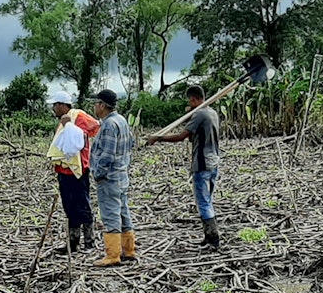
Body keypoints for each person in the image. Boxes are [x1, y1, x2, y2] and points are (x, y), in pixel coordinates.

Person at [145, 84, 222, 251]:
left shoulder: (200, 114)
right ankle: (208, 236)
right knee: (207, 200)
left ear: (192, 99)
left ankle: (213, 239)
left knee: (203, 202)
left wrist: (158, 138)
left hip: (202, 162)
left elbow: (181, 137)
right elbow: (191, 138)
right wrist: (189, 116)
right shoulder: (212, 112)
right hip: (214, 161)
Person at [47, 93, 100, 254]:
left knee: (82, 205)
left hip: (78, 170)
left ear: (62, 105)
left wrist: (70, 125)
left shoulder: (78, 116)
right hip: (64, 170)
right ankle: (73, 243)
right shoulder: (64, 120)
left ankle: (89, 242)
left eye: (55, 105)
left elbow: (92, 128)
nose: (53, 108)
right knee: (69, 207)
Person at [88, 89, 136, 267]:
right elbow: (131, 143)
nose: (94, 107)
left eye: (96, 104)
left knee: (110, 215)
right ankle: (128, 250)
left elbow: (107, 155)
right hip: (121, 175)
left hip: (110, 177)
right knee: (123, 212)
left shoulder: (108, 125)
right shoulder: (121, 120)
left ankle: (113, 255)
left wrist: (98, 173)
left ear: (102, 105)